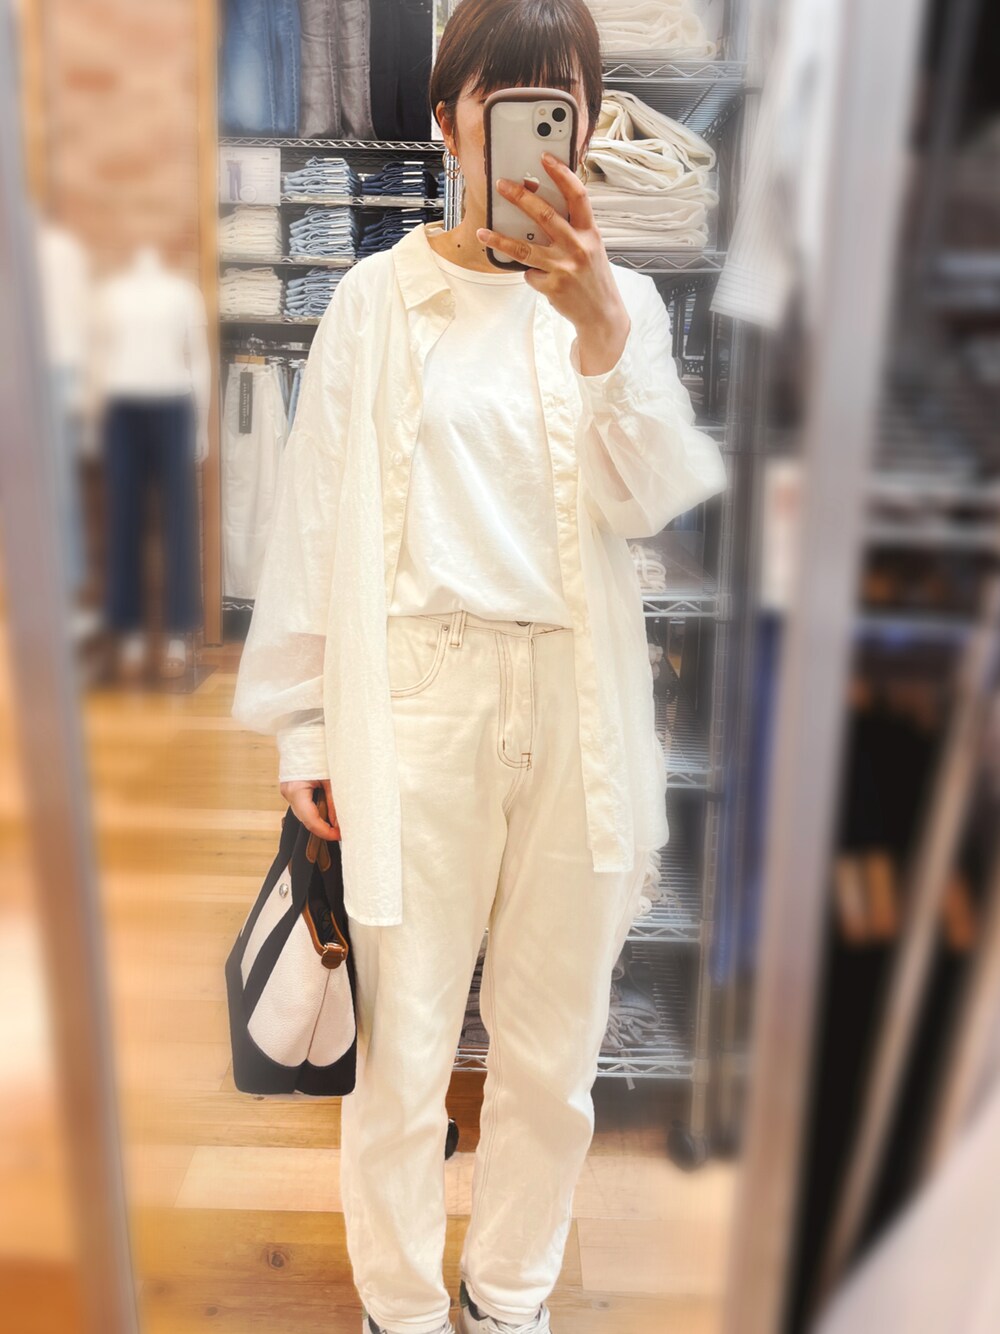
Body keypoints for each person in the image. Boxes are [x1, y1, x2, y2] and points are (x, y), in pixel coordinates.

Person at [230, 2, 728, 1331]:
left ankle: (510, 1295)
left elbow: (658, 498)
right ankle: (399, 1303)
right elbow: (313, 519)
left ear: (587, 121)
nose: (528, 133)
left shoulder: (624, 306)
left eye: (557, 102)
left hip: (577, 704)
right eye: (501, 103)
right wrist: (303, 730)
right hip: (418, 703)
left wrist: (605, 336)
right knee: (402, 1051)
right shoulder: (373, 301)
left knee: (553, 1051)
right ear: (451, 121)